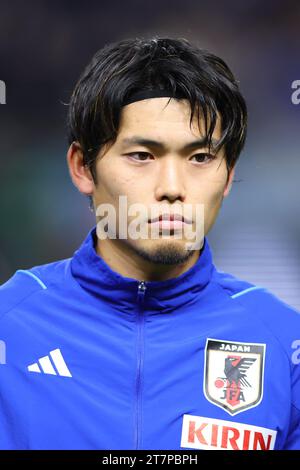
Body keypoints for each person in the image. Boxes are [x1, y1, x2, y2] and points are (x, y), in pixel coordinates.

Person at [0, 36, 299, 451]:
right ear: (83, 168)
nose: (172, 188)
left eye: (200, 158)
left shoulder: (286, 347)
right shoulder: (8, 327)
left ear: (229, 176)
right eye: (142, 155)